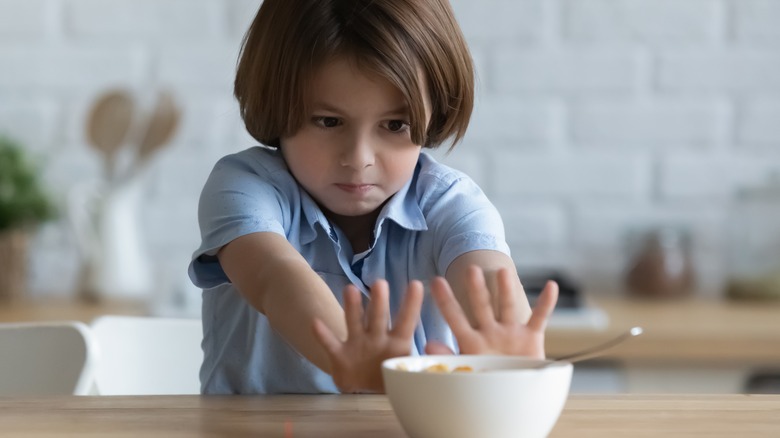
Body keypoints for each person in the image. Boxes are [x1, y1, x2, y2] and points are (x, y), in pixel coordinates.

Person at [188, 0, 558, 395]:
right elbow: (272, 276)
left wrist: (509, 344)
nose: (359, 159)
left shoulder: (452, 203)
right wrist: (351, 353)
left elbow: (484, 275)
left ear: (432, 114)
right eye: (329, 122)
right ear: (277, 104)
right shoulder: (243, 185)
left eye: (395, 125)